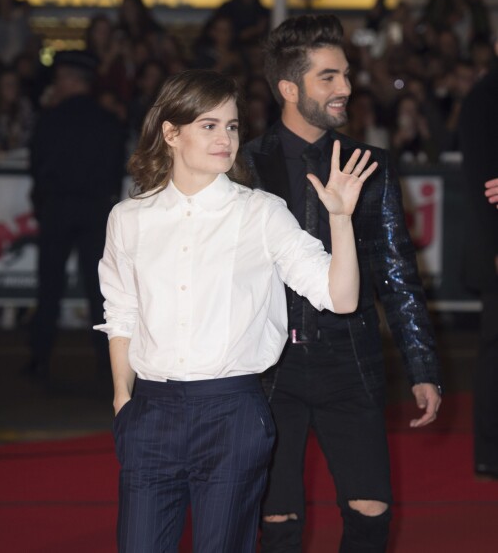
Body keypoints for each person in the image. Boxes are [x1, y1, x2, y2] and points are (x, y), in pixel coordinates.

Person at [94, 69, 377, 552]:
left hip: (232, 413)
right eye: (208, 125)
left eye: (231, 125)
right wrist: (124, 399)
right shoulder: (129, 218)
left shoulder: (261, 213)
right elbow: (121, 312)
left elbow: (341, 297)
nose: (225, 138)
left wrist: (340, 219)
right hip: (151, 414)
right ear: (170, 132)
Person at [242, 14, 443, 552]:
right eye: (328, 77)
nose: (346, 88)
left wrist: (422, 366)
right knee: (276, 523)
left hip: (349, 361)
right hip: (265, 368)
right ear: (289, 88)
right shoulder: (242, 166)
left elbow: (398, 272)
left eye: (346, 75)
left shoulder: (368, 165)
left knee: (372, 513)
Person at [25, 51, 125, 381]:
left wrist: (42, 202)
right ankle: (104, 360)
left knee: (49, 287)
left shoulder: (51, 119)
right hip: (94, 210)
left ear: (70, 80)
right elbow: (114, 168)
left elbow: (36, 164)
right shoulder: (107, 121)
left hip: (57, 209)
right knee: (99, 290)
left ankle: (40, 357)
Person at [458, 66, 498, 480]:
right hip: (494, 248)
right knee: (495, 348)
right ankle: (490, 453)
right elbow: (482, 184)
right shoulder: (485, 100)